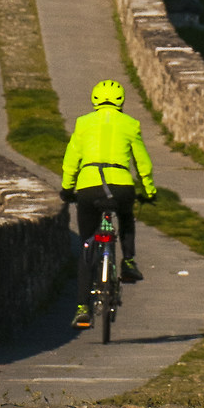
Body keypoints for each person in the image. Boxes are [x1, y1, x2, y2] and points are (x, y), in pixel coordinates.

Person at [60, 78, 156, 328]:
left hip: (89, 187)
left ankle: (82, 308)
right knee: (125, 218)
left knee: (86, 245)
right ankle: (129, 262)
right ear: (121, 101)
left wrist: (67, 188)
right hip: (121, 186)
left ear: (94, 100)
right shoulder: (130, 124)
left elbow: (71, 160)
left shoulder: (83, 123)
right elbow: (142, 162)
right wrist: (149, 190)